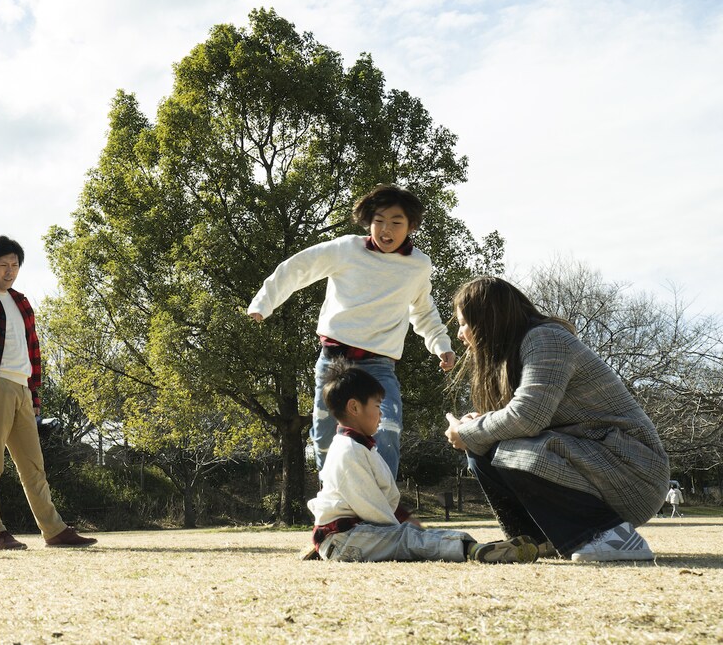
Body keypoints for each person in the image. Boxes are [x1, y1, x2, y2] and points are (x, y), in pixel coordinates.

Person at [444, 276, 669, 563]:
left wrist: (469, 431)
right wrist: (479, 425)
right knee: (482, 449)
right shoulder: (520, 352)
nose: (461, 334)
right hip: (595, 462)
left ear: (488, 319)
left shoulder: (545, 338)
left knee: (501, 447)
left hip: (634, 472)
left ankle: (609, 535)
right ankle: (538, 540)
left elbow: (527, 417)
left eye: (464, 323)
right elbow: (526, 417)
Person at [247, 184, 456, 477]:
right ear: (368, 221)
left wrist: (440, 345)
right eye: (379, 220)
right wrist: (264, 301)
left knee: (387, 428)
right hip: (335, 359)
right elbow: (300, 267)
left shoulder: (418, 266)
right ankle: (332, 500)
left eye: (396, 222)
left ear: (410, 226)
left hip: (379, 364)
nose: (386, 229)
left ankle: (382, 505)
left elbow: (422, 310)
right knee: (324, 433)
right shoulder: (346, 249)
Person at [307, 361, 536, 563]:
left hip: (357, 534)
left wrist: (406, 522)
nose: (381, 415)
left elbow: (382, 501)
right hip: (344, 539)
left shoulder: (361, 447)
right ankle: (471, 550)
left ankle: (472, 546)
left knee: (413, 535)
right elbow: (371, 508)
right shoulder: (348, 451)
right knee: (407, 538)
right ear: (354, 407)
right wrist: (402, 528)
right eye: (377, 407)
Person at [0, 235, 96, 550]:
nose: (9, 271)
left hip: (22, 387)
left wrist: (34, 398)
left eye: (15, 265)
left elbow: (34, 352)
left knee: (34, 466)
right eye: (3, 265)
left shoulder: (21, 302)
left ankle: (55, 531)